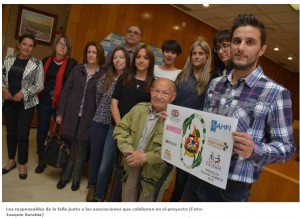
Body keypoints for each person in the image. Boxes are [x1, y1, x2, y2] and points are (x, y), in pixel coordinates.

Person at [183, 14, 296, 202]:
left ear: (262, 49)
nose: (241, 47)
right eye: (236, 41)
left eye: (250, 42)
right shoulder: (216, 84)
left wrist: (255, 150)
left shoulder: (276, 93)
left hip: (231, 187)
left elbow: (287, 148)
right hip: (199, 171)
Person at [97, 44, 155, 202]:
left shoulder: (152, 84)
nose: (141, 60)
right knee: (105, 166)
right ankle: (98, 196)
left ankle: (115, 202)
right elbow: (114, 103)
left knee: (123, 171)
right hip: (115, 128)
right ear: (134, 59)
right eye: (138, 57)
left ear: (150, 61)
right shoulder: (125, 77)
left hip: (135, 135)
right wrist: (121, 126)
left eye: (145, 57)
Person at [114, 78, 177, 202]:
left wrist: (145, 157)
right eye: (156, 91)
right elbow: (120, 129)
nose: (159, 96)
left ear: (173, 97)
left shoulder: (177, 120)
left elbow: (174, 151)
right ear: (151, 91)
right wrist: (129, 151)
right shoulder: (138, 109)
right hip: (131, 164)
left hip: (155, 174)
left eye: (164, 93)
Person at [55, 41, 106, 191]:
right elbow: (66, 91)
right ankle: (65, 177)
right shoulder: (77, 69)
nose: (91, 54)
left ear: (99, 56)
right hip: (71, 116)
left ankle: (76, 178)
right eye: (89, 52)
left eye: (94, 52)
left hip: (89, 119)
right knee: (70, 149)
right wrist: (60, 113)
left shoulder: (103, 74)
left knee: (82, 150)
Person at [86, 47, 130, 202]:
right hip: (99, 122)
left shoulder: (129, 80)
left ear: (127, 60)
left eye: (121, 57)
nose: (118, 60)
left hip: (116, 125)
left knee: (110, 162)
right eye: (115, 57)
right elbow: (97, 99)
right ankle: (92, 187)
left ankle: (104, 190)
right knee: (95, 157)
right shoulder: (105, 77)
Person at [170, 40, 212, 201]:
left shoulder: (212, 80)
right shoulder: (182, 76)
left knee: (182, 177)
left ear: (207, 56)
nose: (196, 56)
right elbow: (172, 100)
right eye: (194, 53)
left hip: (193, 134)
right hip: (174, 128)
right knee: (165, 168)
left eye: (200, 53)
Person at [2, 34, 44, 180]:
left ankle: (22, 164)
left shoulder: (37, 64)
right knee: (11, 133)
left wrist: (23, 93)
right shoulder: (8, 60)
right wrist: (3, 89)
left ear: (33, 48)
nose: (27, 47)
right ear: (19, 45)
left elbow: (39, 84)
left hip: (26, 105)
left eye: (30, 45)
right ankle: (11, 160)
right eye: (24, 44)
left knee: (22, 134)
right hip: (8, 102)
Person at [35, 35, 77, 174]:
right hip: (45, 101)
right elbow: (40, 81)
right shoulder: (46, 61)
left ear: (68, 49)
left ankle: (61, 160)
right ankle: (42, 159)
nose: (62, 46)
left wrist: (59, 94)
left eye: (65, 45)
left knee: (62, 133)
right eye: (60, 43)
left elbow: (72, 84)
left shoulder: (72, 64)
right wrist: (50, 92)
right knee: (41, 131)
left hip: (62, 104)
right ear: (55, 45)